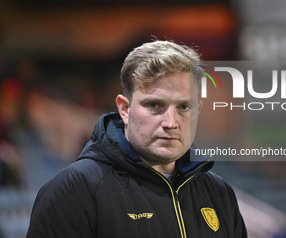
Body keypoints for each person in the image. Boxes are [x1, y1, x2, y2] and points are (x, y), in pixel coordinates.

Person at [26, 40, 247, 238]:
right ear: (124, 108)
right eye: (154, 105)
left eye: (184, 107)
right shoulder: (72, 191)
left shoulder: (219, 193)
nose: (171, 122)